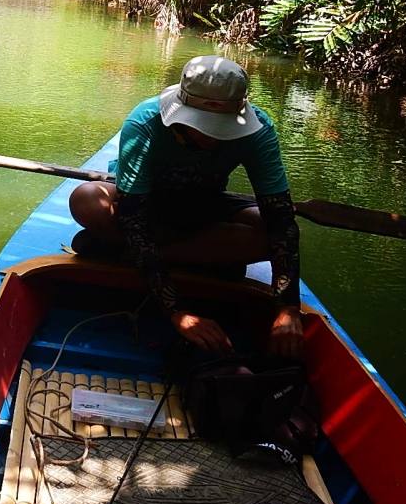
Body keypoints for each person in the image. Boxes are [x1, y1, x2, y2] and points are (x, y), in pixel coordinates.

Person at [68, 55, 303, 359]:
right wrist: (177, 312)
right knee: (86, 200)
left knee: (268, 232)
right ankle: (199, 256)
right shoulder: (145, 122)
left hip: (205, 205)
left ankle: (131, 254)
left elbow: (280, 218)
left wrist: (287, 307)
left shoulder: (259, 131)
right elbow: (132, 217)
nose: (212, 135)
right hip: (146, 205)